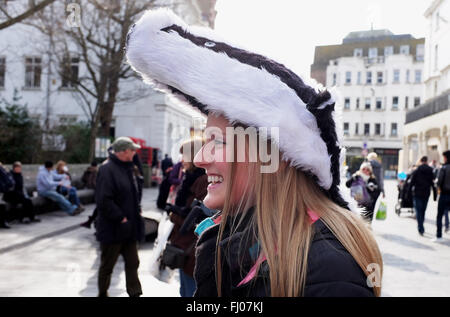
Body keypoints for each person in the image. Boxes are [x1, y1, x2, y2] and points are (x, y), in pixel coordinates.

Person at [126, 9, 383, 297]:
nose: (200, 158)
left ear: (271, 155)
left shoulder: (327, 268)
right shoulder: (240, 235)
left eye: (219, 142)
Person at [95, 137, 145, 297]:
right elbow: (104, 200)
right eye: (132, 150)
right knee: (107, 265)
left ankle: (135, 292)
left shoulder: (129, 167)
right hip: (113, 228)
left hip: (129, 228)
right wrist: (121, 218)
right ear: (124, 152)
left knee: (133, 263)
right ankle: (103, 293)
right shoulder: (107, 169)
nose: (135, 153)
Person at [167, 138, 208, 297]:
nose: (182, 160)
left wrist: (174, 215)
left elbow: (201, 221)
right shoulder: (190, 178)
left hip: (193, 250)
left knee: (191, 292)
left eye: (185, 155)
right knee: (184, 290)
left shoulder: (204, 181)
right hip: (184, 247)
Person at [410, 156, 436, 236]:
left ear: (421, 161)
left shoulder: (417, 170)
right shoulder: (430, 170)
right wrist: (435, 195)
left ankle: (420, 227)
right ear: (426, 161)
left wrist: (408, 193)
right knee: (423, 210)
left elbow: (412, 182)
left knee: (418, 211)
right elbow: (433, 183)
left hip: (418, 193)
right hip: (426, 193)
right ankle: (421, 225)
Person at [435, 150, 450, 241]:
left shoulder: (444, 168)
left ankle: (439, 235)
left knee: (440, 215)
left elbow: (439, 181)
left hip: (444, 194)